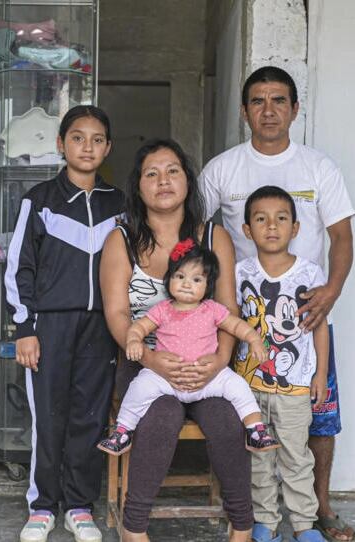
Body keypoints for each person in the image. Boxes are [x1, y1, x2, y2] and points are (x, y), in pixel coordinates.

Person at [199, 66, 355, 542]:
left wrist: (331, 289)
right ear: (244, 110)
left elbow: (341, 236)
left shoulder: (318, 167)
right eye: (258, 101)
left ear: (294, 108)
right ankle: (255, 514)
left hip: (308, 319)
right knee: (252, 423)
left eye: (279, 101)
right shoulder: (223, 169)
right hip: (240, 321)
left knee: (317, 415)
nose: (269, 111)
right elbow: (198, 235)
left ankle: (318, 510)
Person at [99, 138, 253, 542]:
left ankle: (243, 525)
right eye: (151, 173)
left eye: (172, 171)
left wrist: (221, 359)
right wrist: (150, 359)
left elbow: (228, 309)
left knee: (224, 418)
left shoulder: (213, 236)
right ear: (138, 187)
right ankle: (134, 526)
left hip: (207, 358)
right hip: (142, 361)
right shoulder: (122, 240)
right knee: (163, 413)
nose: (163, 180)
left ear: (188, 182)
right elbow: (116, 314)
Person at [4, 105, 125, 542]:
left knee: (89, 419)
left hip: (101, 328)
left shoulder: (119, 204)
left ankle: (78, 505)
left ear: (108, 147)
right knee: (48, 418)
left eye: (97, 139)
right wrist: (25, 328)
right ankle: (41, 506)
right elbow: (20, 267)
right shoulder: (39, 200)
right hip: (49, 327)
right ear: (61, 144)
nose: (87, 146)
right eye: (78, 137)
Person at [97, 240, 278, 456]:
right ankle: (122, 432)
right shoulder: (163, 309)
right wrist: (135, 341)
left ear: (208, 285)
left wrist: (254, 340)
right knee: (140, 386)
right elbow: (138, 327)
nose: (186, 284)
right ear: (169, 279)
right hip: (167, 379)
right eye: (179, 276)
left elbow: (237, 326)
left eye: (196, 279)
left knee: (237, 385)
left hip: (207, 380)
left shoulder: (212, 309)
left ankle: (255, 430)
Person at [236, 186, 329, 542]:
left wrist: (319, 374)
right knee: (258, 458)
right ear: (247, 230)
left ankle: (304, 524)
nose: (271, 226)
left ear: (296, 228)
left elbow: (319, 326)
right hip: (250, 387)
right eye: (261, 219)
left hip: (296, 384)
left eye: (281, 219)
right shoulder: (240, 272)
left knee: (295, 457)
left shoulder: (310, 273)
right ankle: (265, 522)